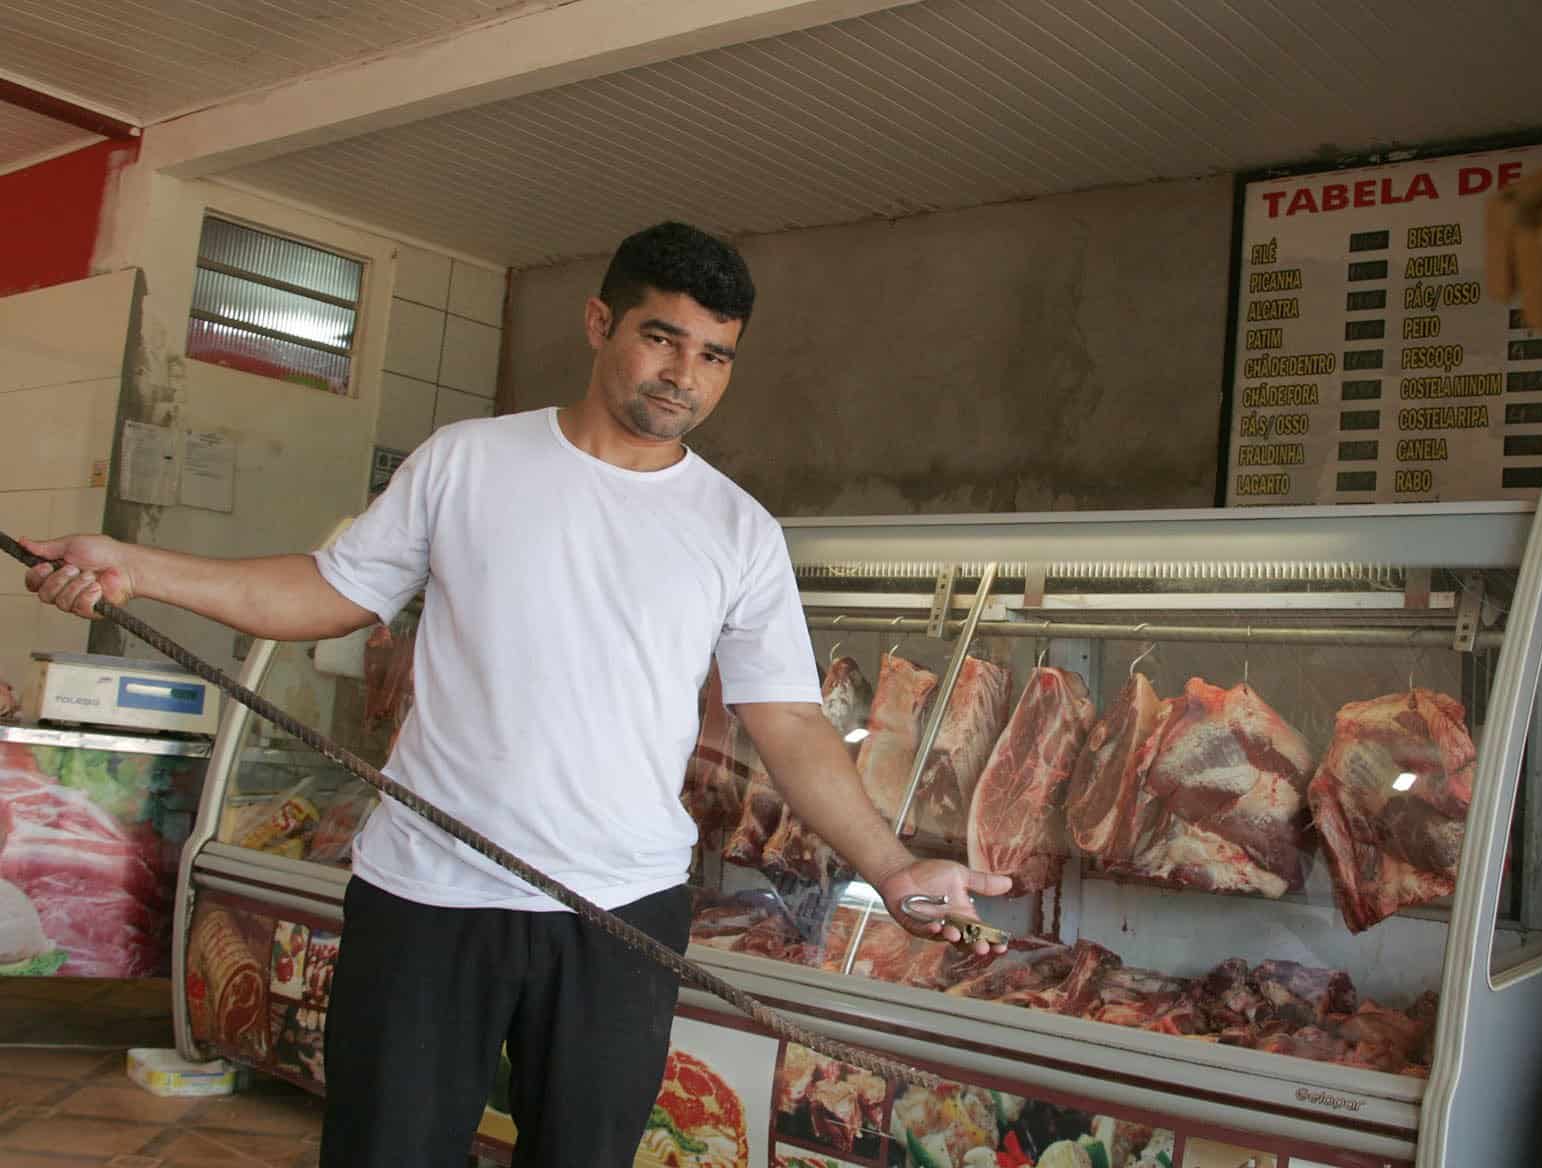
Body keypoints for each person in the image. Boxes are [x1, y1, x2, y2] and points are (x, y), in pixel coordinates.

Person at [23, 221, 1012, 1167]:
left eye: (714, 355)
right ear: (598, 324)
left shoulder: (737, 528)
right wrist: (135, 568)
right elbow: (329, 590)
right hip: (427, 898)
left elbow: (787, 718)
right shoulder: (468, 462)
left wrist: (890, 864)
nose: (684, 374)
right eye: (661, 337)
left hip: (619, 910)